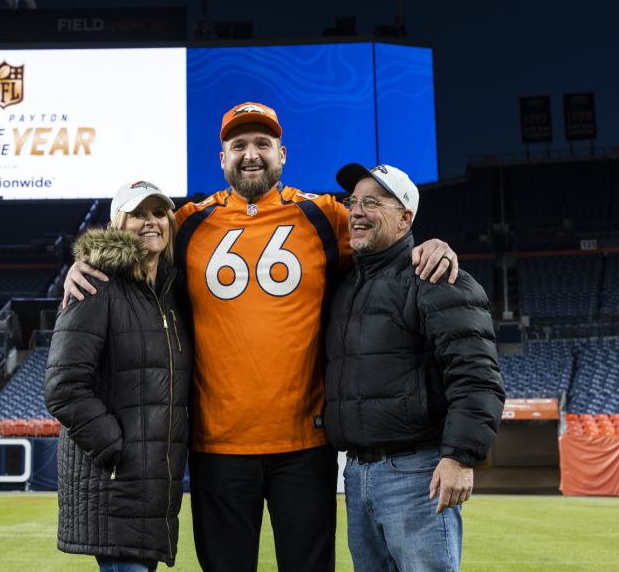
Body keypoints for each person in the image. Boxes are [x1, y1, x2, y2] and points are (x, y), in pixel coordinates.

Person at [63, 102, 460, 572]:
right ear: (222, 158)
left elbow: (384, 234)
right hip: (218, 447)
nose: (251, 154)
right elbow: (134, 250)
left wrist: (434, 243)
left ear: (283, 154)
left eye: (262, 144)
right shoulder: (188, 222)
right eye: (239, 145)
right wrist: (84, 263)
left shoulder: (324, 215)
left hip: (305, 446)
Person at [325, 162, 505, 572]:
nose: (356, 211)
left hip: (416, 473)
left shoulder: (437, 277)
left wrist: (460, 457)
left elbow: (477, 377)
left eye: (372, 202)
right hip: (355, 474)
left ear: (406, 217)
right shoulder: (344, 286)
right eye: (352, 202)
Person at [44, 180, 192, 572]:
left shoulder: (171, 293)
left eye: (159, 213)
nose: (151, 222)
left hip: (152, 489)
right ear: (117, 224)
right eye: (138, 214)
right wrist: (117, 450)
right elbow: (64, 387)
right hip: (117, 483)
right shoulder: (95, 283)